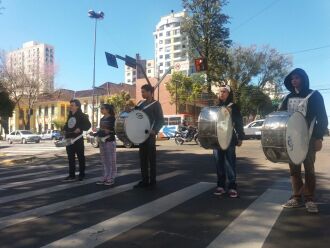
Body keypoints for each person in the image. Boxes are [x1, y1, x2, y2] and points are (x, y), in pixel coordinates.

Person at [279, 68, 328, 213]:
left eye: (297, 78)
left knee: (309, 168)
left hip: (309, 137)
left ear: (304, 79)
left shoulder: (314, 95)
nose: (294, 80)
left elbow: (323, 118)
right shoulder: (287, 97)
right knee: (294, 168)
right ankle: (296, 197)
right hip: (291, 139)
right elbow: (281, 116)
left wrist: (319, 137)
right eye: (292, 78)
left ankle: (310, 198)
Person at [213, 85, 245, 198]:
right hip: (217, 139)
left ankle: (232, 187)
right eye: (220, 92)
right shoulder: (215, 107)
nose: (221, 93)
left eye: (224, 91)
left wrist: (240, 137)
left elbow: (239, 122)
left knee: (230, 163)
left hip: (229, 138)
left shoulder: (233, 106)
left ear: (228, 93)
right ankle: (220, 185)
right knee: (219, 163)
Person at [134, 84, 164, 189]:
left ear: (150, 92)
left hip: (150, 135)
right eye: (141, 92)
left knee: (151, 159)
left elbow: (161, 120)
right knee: (142, 159)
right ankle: (144, 180)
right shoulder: (140, 104)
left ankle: (153, 181)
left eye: (143, 92)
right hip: (141, 135)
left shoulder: (156, 104)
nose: (142, 94)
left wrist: (154, 130)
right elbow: (135, 115)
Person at [63, 99, 91, 181]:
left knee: (80, 157)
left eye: (72, 105)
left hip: (78, 139)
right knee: (70, 158)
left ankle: (81, 174)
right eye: (70, 105)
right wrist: (64, 129)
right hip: (69, 139)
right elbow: (66, 125)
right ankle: (71, 175)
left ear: (77, 106)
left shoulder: (82, 115)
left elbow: (88, 125)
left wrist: (80, 128)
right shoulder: (69, 115)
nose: (70, 107)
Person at [93, 104, 117, 186]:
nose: (101, 110)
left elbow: (115, 130)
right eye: (101, 108)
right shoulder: (102, 119)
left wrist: (109, 131)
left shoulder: (113, 118)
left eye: (102, 108)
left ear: (108, 109)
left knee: (111, 160)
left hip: (110, 141)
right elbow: (101, 130)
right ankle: (105, 176)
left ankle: (111, 177)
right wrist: (95, 134)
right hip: (102, 141)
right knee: (103, 160)